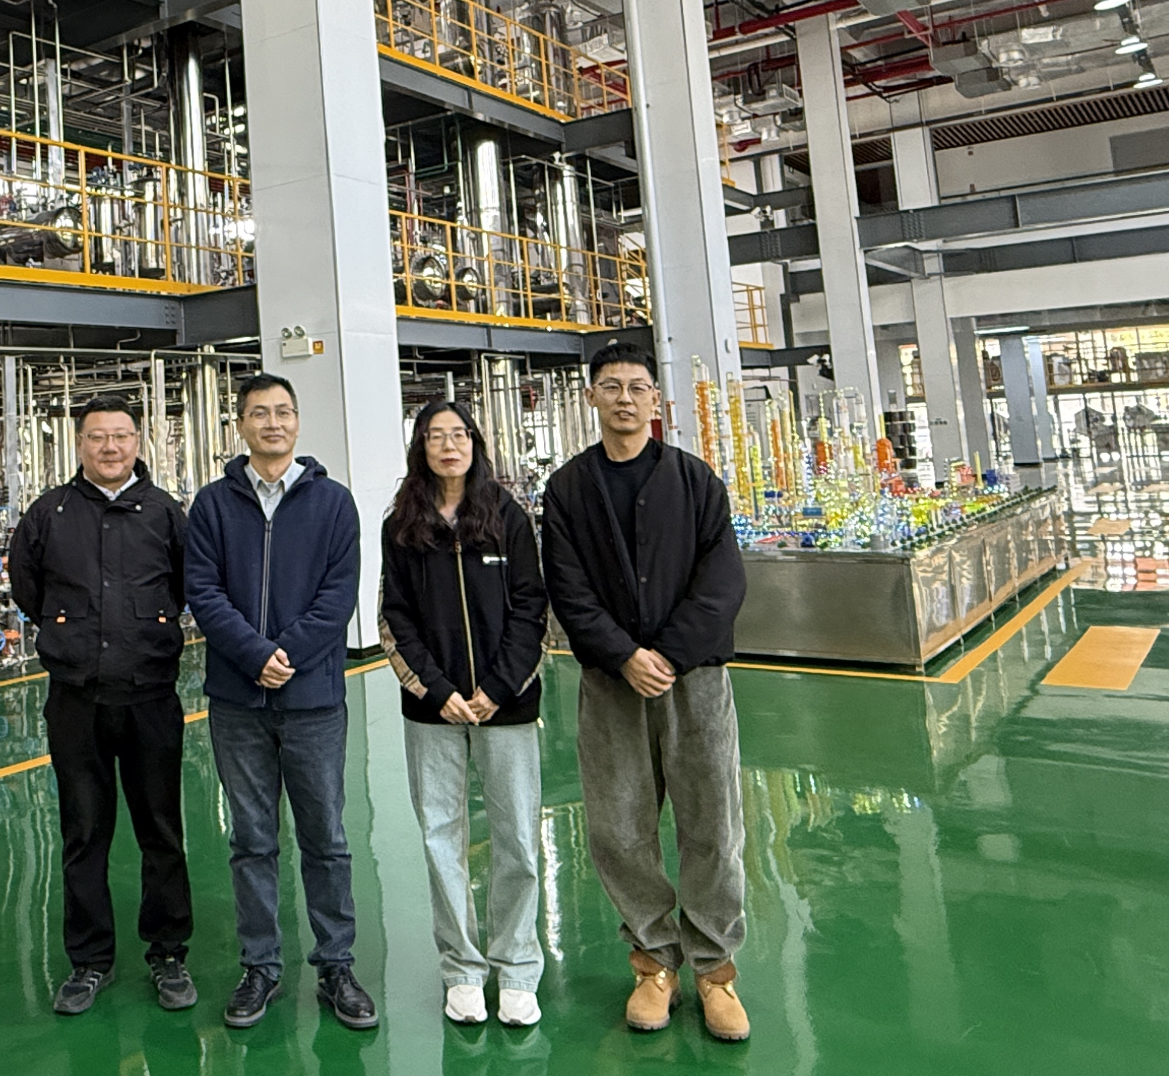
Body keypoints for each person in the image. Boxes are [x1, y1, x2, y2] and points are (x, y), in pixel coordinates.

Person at [539, 341, 751, 1043]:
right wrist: (624, 655)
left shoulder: (695, 481)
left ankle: (714, 971)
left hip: (695, 681)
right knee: (619, 826)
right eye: (611, 386)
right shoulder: (568, 489)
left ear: (655, 400)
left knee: (712, 823)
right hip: (611, 684)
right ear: (591, 397)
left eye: (636, 387)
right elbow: (567, 589)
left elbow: (723, 581)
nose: (624, 398)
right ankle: (654, 961)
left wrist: (670, 654)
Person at [183, 373, 377, 1032]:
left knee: (326, 838)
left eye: (284, 411)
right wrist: (253, 655)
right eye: (260, 413)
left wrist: (285, 655)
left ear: (297, 422)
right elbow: (203, 591)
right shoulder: (212, 505)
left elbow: (339, 594)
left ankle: (336, 966)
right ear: (240, 424)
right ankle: (260, 967)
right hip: (237, 703)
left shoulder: (333, 503)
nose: (273, 423)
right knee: (252, 840)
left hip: (313, 699)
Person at [7, 394, 195, 1016]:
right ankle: (89, 960)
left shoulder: (166, 514)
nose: (110, 447)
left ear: (138, 442)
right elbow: (27, 587)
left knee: (160, 829)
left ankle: (168, 953)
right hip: (76, 699)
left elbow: (185, 584)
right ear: (79, 444)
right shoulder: (49, 514)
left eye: (120, 436)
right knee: (83, 832)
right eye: (97, 437)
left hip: (150, 697)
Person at [379, 400, 549, 1028]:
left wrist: (498, 688)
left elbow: (533, 609)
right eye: (435, 436)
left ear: (475, 443)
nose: (448, 445)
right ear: (420, 448)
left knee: (517, 839)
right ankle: (462, 971)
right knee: (440, 839)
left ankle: (518, 968)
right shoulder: (401, 524)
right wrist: (436, 690)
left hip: (507, 706)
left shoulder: (508, 517)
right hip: (433, 710)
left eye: (459, 434)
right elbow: (394, 617)